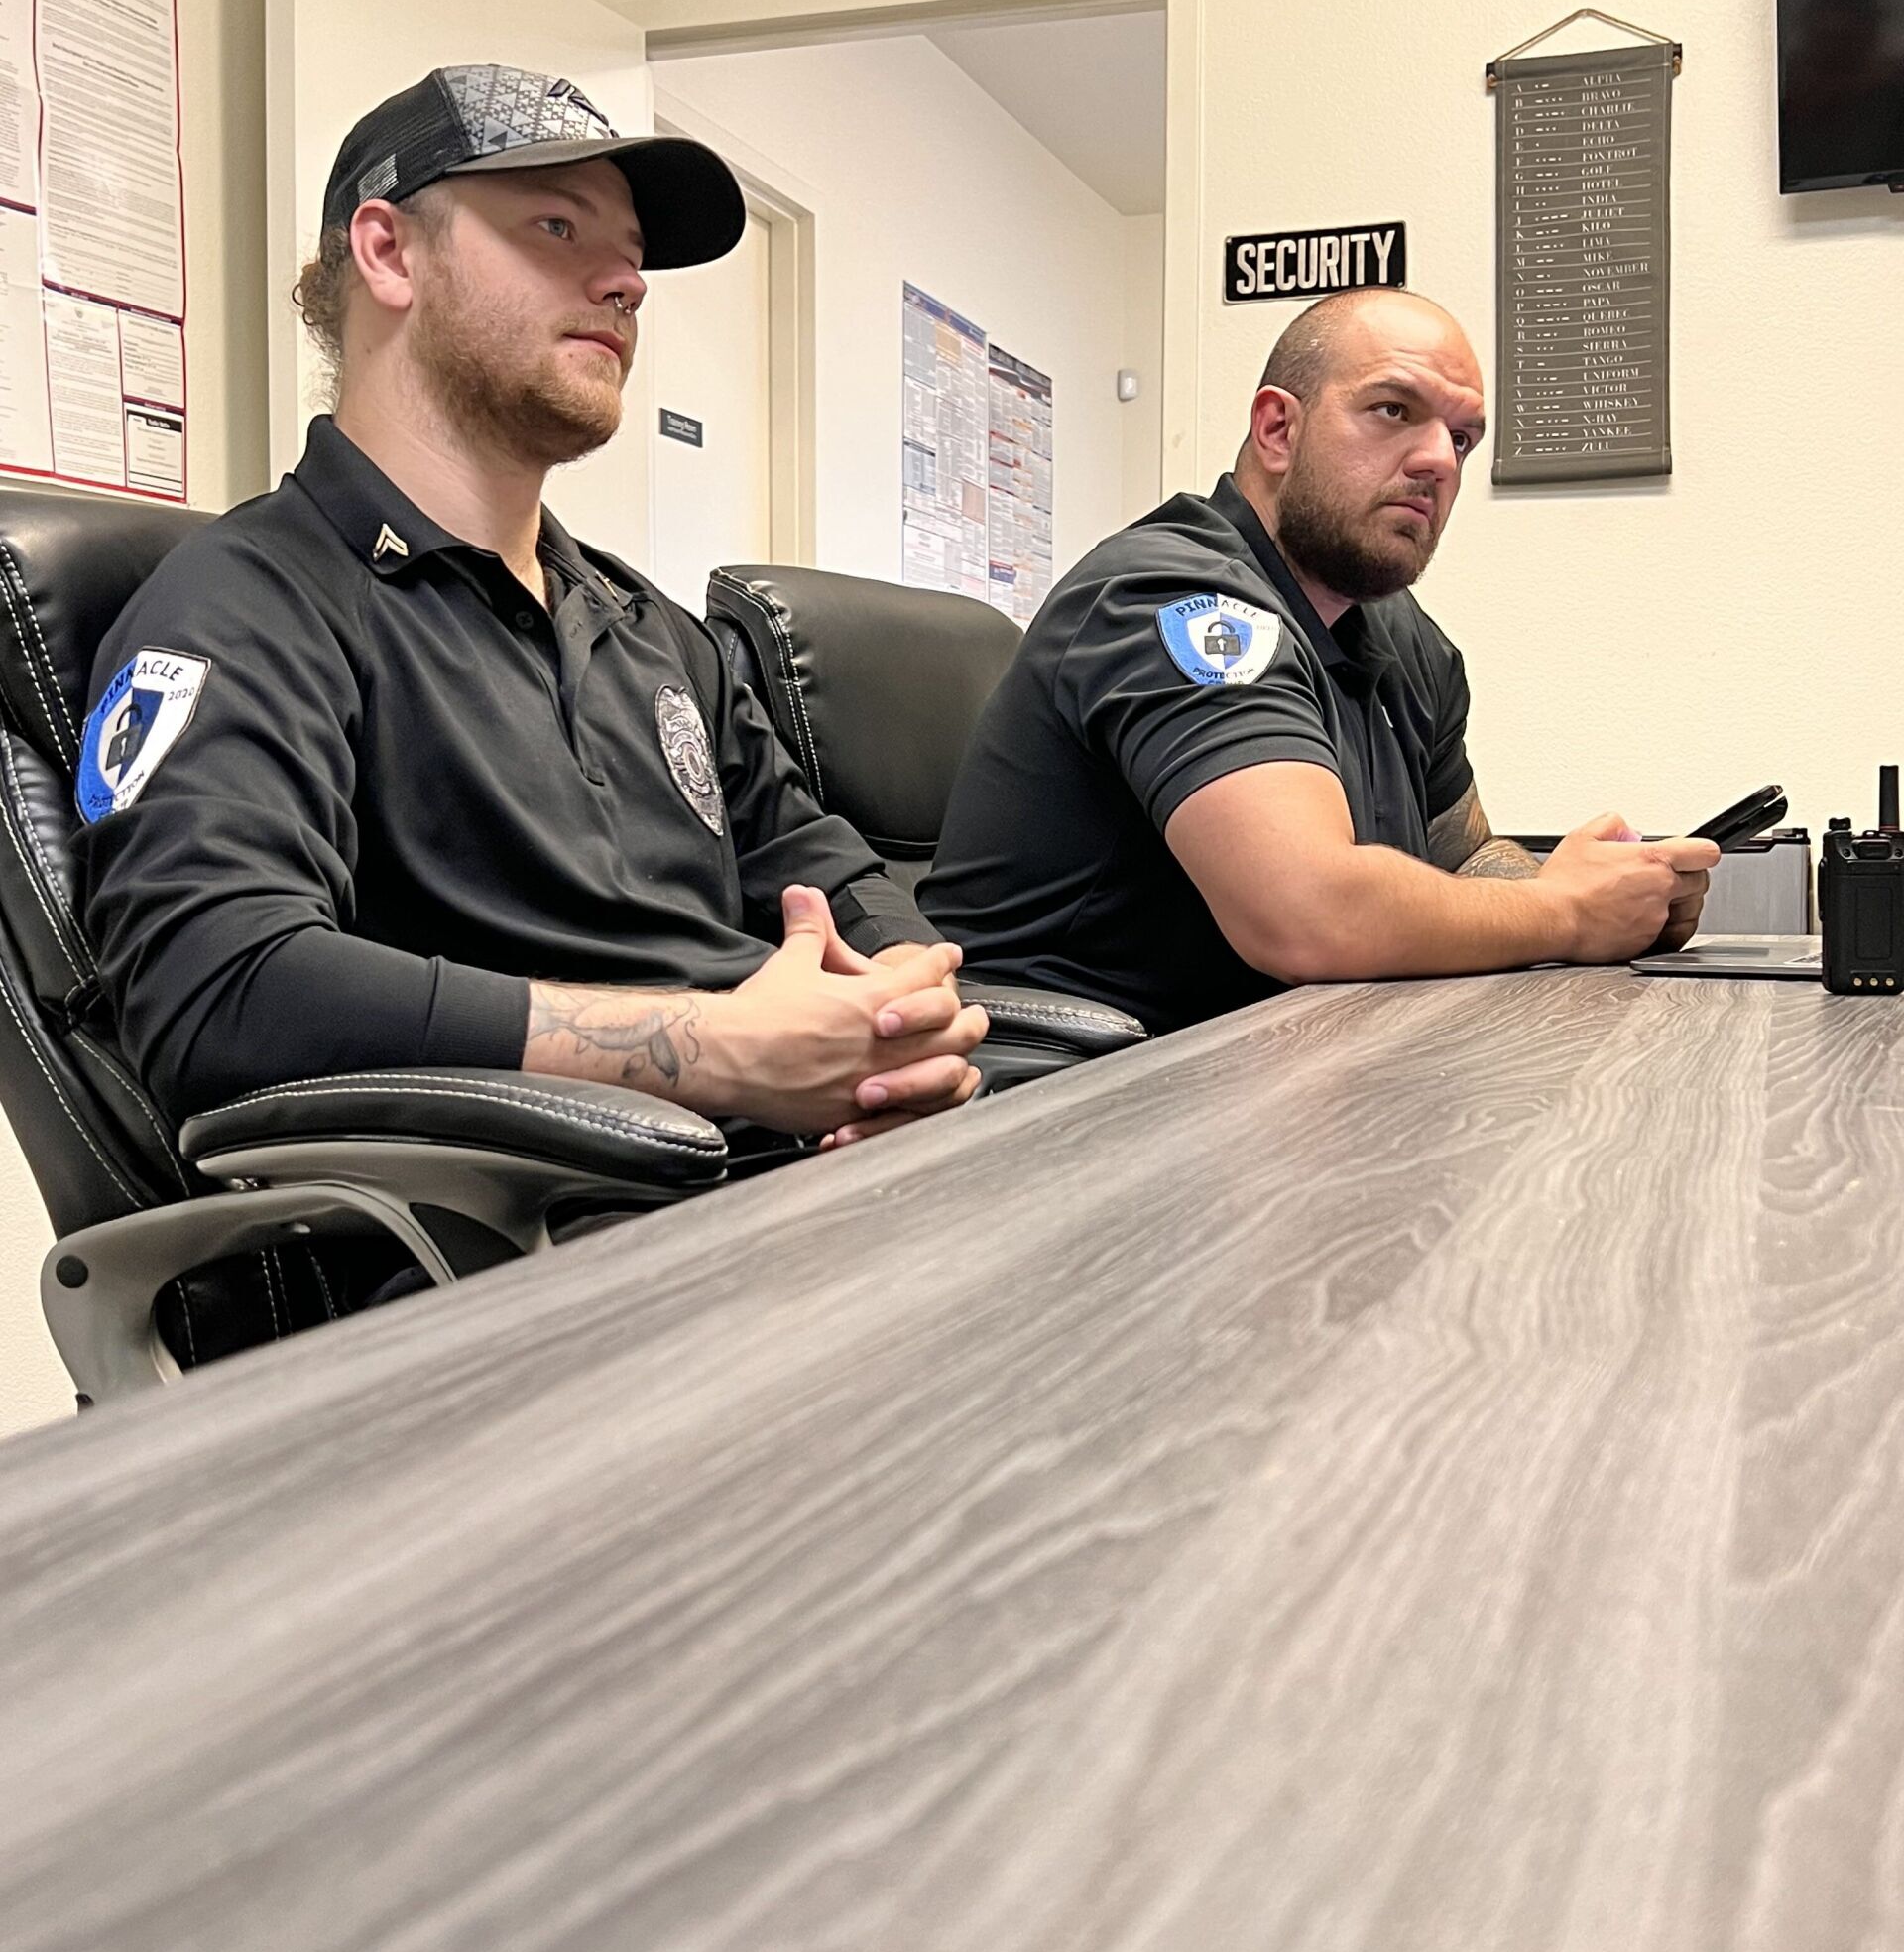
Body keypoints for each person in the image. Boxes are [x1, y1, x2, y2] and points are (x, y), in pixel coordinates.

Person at [79, 64, 987, 1169]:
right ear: (387, 252)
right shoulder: (246, 603)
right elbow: (217, 988)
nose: (626, 284)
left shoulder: (645, 627)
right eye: (557, 226)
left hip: (802, 1173)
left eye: (634, 258)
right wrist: (712, 1048)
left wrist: (904, 1005)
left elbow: (813, 855)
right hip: (555, 1238)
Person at [923, 286, 1716, 1033]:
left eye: (1462, 437)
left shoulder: (1403, 638)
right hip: (1073, 1093)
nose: (1440, 460)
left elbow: (1466, 854)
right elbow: (1305, 913)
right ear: (1279, 431)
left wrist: (1607, 892)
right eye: (1394, 410)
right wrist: (1568, 915)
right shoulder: (1175, 597)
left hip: (1280, 1067)